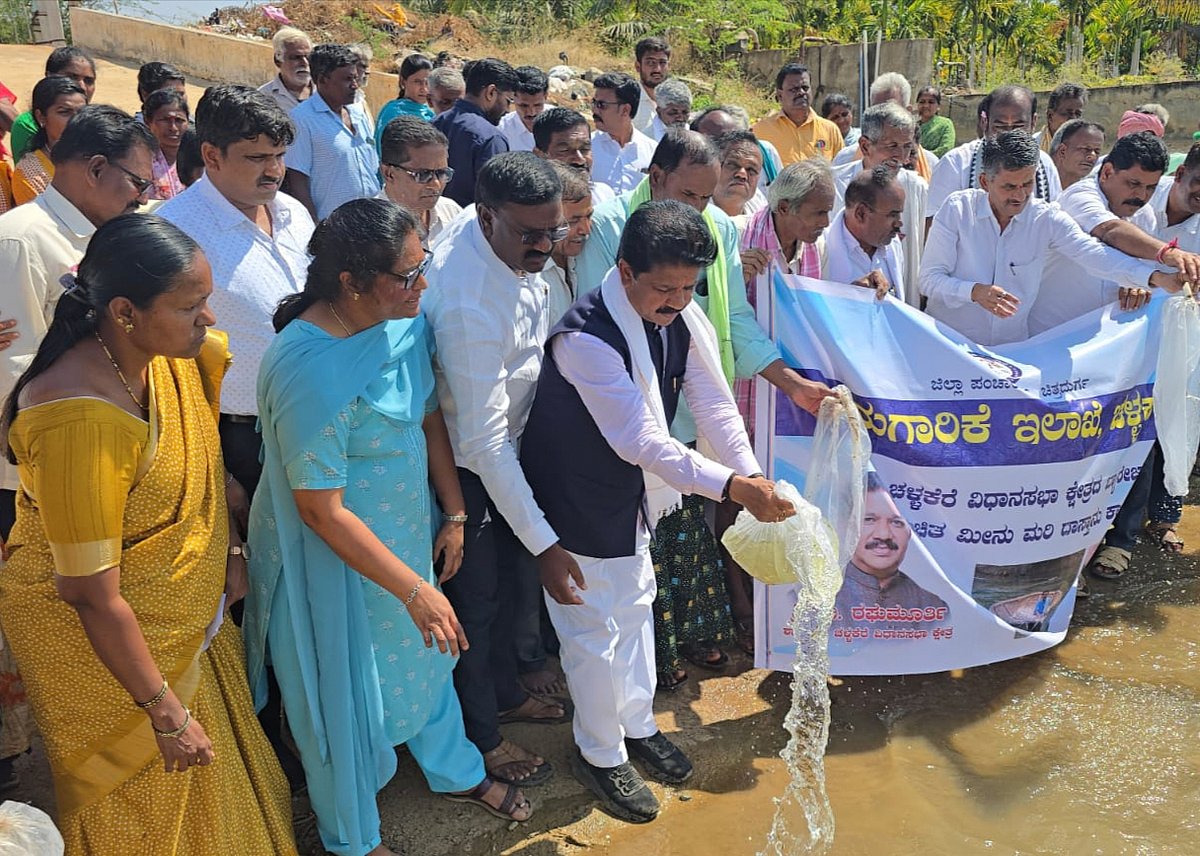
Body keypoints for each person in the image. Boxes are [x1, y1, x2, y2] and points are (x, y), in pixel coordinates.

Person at [0, 213, 296, 853]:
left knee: (217, 779)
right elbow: (88, 593)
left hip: (171, 613)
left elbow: (206, 469)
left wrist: (231, 548)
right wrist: (163, 709)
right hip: (91, 640)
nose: (209, 319)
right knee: (152, 802)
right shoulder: (78, 421)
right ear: (124, 312)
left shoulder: (165, 359)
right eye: (190, 306)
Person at [247, 199, 533, 856]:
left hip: (407, 536)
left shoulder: (401, 327)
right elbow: (320, 509)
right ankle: (354, 837)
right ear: (350, 282)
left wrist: (453, 514)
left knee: (427, 658)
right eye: (407, 276)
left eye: (422, 266)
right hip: (334, 562)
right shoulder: (307, 366)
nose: (423, 285)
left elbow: (427, 415)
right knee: (342, 698)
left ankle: (456, 771)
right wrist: (414, 589)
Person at [521, 200, 796, 822]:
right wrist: (734, 488)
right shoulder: (585, 337)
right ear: (625, 271)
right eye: (665, 288)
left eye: (688, 288)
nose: (677, 301)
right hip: (579, 498)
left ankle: (636, 725)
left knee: (636, 606)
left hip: (634, 496)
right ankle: (600, 753)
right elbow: (640, 440)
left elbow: (713, 402)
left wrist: (749, 472)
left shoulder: (680, 316)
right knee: (593, 631)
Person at [423, 153, 568, 789]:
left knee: (510, 588)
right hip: (468, 470)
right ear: (486, 218)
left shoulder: (502, 241)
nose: (544, 246)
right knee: (475, 608)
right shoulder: (468, 303)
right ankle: (481, 737)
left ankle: (507, 695)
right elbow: (481, 443)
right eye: (529, 234)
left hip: (510, 448)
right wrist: (546, 543)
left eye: (552, 231)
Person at [159, 84, 311, 500]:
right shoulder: (175, 231)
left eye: (280, 156)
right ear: (211, 156)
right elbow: (163, 367)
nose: (275, 171)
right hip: (236, 441)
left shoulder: (294, 214)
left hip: (311, 422)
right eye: (257, 158)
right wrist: (220, 475)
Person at [920, 132, 1183, 346]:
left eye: (1027, 184)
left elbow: (1093, 254)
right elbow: (929, 280)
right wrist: (974, 292)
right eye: (1009, 187)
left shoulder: (1045, 218)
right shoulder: (957, 210)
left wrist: (1156, 278)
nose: (1020, 196)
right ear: (985, 182)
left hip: (1012, 352)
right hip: (949, 347)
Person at [1031, 131, 1198, 336]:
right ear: (1107, 172)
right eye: (1133, 184)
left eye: (1151, 187)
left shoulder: (1145, 216)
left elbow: (1132, 272)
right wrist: (1168, 254)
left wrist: (1138, 285)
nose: (1141, 195)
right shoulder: (1080, 196)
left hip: (1100, 340)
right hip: (1046, 334)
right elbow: (1110, 231)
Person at [830, 475, 949, 645]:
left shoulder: (933, 607)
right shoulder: (812, 598)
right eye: (869, 520)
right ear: (846, 526)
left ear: (910, 533)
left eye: (897, 522)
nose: (884, 535)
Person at [832, 102, 929, 306]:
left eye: (907, 147)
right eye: (892, 146)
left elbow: (915, 255)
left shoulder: (916, 187)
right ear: (865, 146)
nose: (902, 157)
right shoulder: (835, 184)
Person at [927, 84, 1061, 218]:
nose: (1009, 134)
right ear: (985, 123)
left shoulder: (1045, 165)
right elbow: (933, 221)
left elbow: (1053, 221)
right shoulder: (955, 164)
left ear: (1033, 123)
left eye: (1018, 127)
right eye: (1000, 126)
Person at [286, 43, 380, 221]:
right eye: (347, 79)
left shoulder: (358, 113)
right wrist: (313, 226)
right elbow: (297, 180)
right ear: (322, 80)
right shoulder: (302, 119)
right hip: (332, 226)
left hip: (372, 220)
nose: (354, 85)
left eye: (355, 78)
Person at [433, 58, 518, 206]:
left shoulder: (433, 124)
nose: (507, 110)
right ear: (491, 92)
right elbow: (496, 199)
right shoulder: (491, 138)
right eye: (508, 101)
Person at [824, 166, 906, 300]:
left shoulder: (892, 244)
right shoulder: (821, 250)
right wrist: (852, 294)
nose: (899, 223)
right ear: (861, 213)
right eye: (893, 215)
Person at [378, 115, 462, 246]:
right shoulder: (368, 231)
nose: (436, 184)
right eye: (423, 174)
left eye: (441, 173)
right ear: (389, 174)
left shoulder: (452, 212)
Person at [10, 47, 96, 163]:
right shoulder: (26, 125)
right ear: (49, 76)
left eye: (88, 81)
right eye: (72, 77)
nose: (82, 86)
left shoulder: (99, 123)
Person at [11, 76, 86, 205]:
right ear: (41, 117)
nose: (76, 120)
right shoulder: (30, 172)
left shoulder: (100, 156)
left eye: (82, 113)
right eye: (65, 112)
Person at [753, 63, 843, 163]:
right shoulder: (761, 131)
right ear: (780, 95)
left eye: (805, 88)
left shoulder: (830, 130)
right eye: (794, 89)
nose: (801, 92)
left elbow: (843, 167)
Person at [543, 162, 594, 324]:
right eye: (574, 221)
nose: (586, 230)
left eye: (589, 216)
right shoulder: (528, 276)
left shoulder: (586, 254)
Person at [532, 107, 616, 205]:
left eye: (584, 149)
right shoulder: (530, 207)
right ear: (540, 155)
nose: (580, 160)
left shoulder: (604, 196)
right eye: (565, 150)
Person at [590, 72, 656, 193]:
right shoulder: (586, 149)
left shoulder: (652, 151)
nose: (594, 110)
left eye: (601, 105)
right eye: (594, 102)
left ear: (625, 110)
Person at [692, 104, 782, 191]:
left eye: (729, 139)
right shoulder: (689, 182)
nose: (721, 148)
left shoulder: (765, 153)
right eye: (713, 141)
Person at [375, 53, 435, 154]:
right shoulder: (394, 113)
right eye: (417, 82)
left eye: (427, 82)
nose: (424, 88)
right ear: (403, 82)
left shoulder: (429, 113)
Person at [143, 88, 190, 201]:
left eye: (179, 120)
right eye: (165, 120)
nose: (173, 128)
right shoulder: (140, 160)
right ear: (148, 122)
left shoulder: (198, 158)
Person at [711, 130, 766, 224]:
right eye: (733, 165)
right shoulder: (695, 208)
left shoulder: (759, 207)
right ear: (714, 166)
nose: (742, 174)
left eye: (751, 169)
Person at [259, 26, 313, 112]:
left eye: (308, 56)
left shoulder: (328, 90)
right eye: (296, 57)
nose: (305, 63)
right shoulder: (263, 97)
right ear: (278, 61)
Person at [499, 66, 548, 153]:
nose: (531, 113)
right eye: (524, 106)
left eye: (537, 105)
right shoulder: (502, 130)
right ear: (512, 97)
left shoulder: (561, 124)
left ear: (546, 96)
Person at [1050, 119, 1105, 189]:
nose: (1093, 156)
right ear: (1062, 151)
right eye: (1086, 149)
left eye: (1097, 151)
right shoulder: (1038, 186)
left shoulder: (1092, 192)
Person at [632, 36, 670, 134]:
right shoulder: (628, 102)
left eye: (662, 63)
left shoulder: (674, 102)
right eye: (650, 63)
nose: (657, 69)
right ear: (638, 66)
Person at [1037, 83, 1087, 153]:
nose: (1074, 119)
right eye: (1068, 113)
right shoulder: (1034, 147)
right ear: (1050, 116)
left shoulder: (1086, 149)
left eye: (1078, 114)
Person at [648, 78, 692, 143]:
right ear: (659, 111)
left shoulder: (695, 133)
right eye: (673, 113)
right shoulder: (647, 138)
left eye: (685, 112)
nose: (680, 118)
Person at [916, 85, 955, 158]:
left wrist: (920, 157)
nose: (926, 105)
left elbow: (946, 149)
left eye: (931, 102)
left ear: (938, 106)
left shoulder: (945, 124)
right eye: (922, 102)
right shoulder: (912, 126)